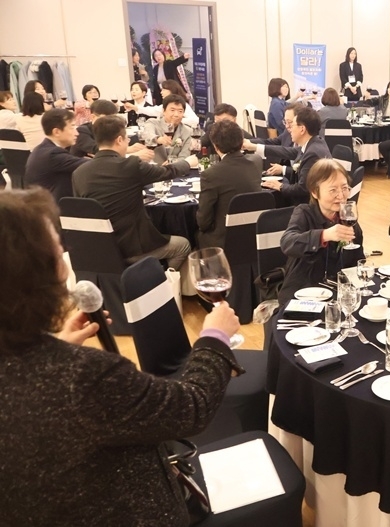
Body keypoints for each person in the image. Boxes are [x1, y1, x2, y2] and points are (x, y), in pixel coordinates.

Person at [0, 187, 243, 526]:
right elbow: (192, 407)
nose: (66, 253)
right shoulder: (84, 377)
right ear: (37, 273)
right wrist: (215, 338)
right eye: (57, 247)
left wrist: (57, 345)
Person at [72, 115, 197, 270]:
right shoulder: (130, 165)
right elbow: (167, 172)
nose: (128, 142)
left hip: (98, 248)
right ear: (119, 140)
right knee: (183, 245)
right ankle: (160, 281)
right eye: (127, 139)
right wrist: (188, 163)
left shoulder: (79, 172)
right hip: (130, 248)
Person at [278, 158, 364, 304]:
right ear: (315, 192)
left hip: (337, 294)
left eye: (344, 188)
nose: (341, 195)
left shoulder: (348, 219)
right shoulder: (304, 213)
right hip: (303, 294)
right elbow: (287, 243)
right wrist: (324, 235)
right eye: (333, 190)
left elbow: (357, 260)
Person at [197, 120, 264, 248]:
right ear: (242, 142)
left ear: (215, 146)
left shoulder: (210, 174)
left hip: (223, 240)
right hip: (254, 235)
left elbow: (203, 222)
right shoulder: (256, 163)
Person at [253, 105, 332, 206]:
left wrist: (280, 186)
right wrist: (255, 147)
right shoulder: (315, 143)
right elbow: (288, 151)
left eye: (292, 125)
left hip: (308, 206)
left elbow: (302, 189)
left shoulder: (312, 153)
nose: (289, 130)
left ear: (302, 129)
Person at [24, 108, 88, 202]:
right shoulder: (52, 154)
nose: (77, 133)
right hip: (52, 207)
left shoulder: (42, 149)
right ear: (56, 132)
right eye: (72, 127)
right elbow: (92, 166)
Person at [71, 99, 145, 159]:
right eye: (107, 118)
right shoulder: (82, 131)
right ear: (93, 117)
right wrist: (127, 150)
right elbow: (97, 150)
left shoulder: (110, 129)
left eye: (113, 118)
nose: (111, 122)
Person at [142, 94, 194, 161]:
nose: (176, 115)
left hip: (175, 166)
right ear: (164, 111)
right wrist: (158, 139)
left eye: (180, 111)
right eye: (172, 110)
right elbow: (147, 135)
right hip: (152, 165)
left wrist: (172, 163)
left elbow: (184, 156)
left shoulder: (188, 131)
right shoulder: (152, 123)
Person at [132, 79, 199, 128]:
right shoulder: (166, 105)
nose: (161, 92)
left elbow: (194, 120)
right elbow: (152, 110)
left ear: (171, 90)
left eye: (163, 90)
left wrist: (175, 121)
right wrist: (135, 108)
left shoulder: (182, 105)